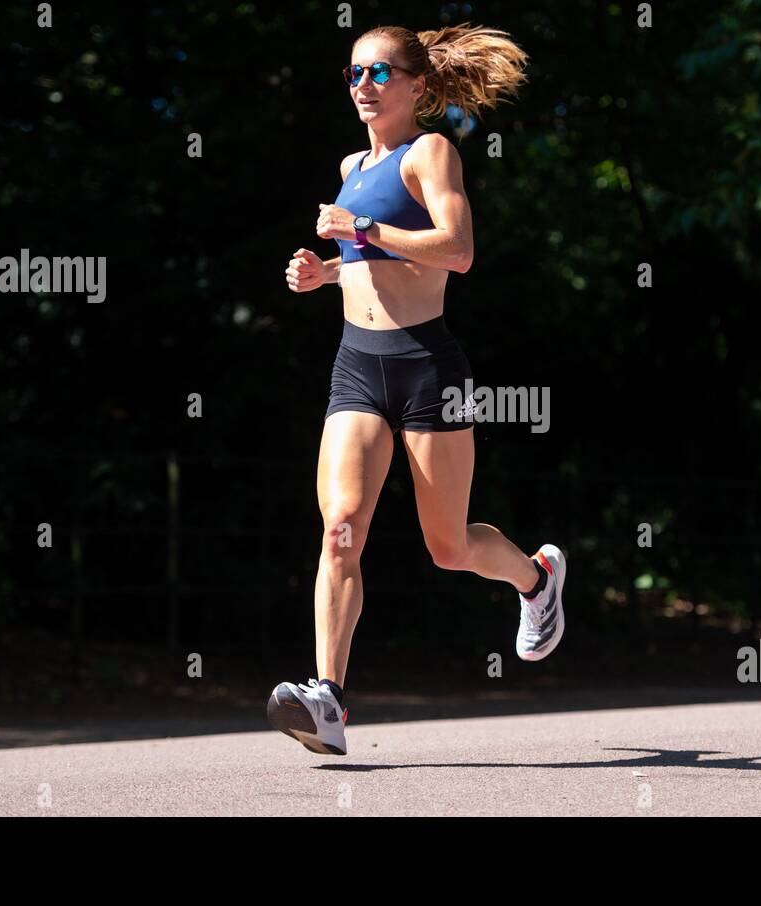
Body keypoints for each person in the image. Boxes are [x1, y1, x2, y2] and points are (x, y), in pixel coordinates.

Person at [268, 23, 565, 756]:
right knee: (341, 526)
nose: (363, 86)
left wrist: (361, 228)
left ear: (417, 88)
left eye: (378, 73)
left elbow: (457, 251)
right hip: (355, 366)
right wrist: (326, 272)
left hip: (429, 366)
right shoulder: (349, 163)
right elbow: (371, 264)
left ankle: (535, 579)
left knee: (447, 546)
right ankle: (330, 699)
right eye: (353, 73)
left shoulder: (430, 153)